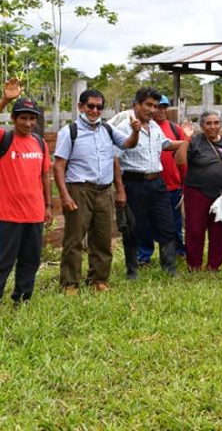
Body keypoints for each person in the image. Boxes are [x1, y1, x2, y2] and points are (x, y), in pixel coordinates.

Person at [53, 89, 140, 294]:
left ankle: (98, 280)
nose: (94, 110)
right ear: (80, 107)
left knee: (102, 238)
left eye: (98, 107)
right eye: (90, 106)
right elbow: (58, 166)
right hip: (79, 189)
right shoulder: (69, 131)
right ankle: (70, 283)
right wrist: (64, 196)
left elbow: (128, 144)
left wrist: (135, 131)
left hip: (104, 191)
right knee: (74, 238)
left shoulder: (107, 130)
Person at [115, 87, 187, 279]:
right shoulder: (123, 128)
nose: (152, 109)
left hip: (157, 183)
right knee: (132, 227)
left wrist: (188, 140)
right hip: (134, 182)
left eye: (155, 106)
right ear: (136, 105)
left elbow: (166, 145)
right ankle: (132, 270)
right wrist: (120, 189)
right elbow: (114, 158)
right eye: (148, 105)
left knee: (167, 225)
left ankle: (169, 268)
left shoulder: (154, 126)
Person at [0, 96, 52, 303]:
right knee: (3, 261)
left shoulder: (39, 143)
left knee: (30, 261)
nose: (29, 123)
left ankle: (22, 300)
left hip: (34, 215)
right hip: (7, 215)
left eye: (32, 118)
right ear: (13, 118)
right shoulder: (5, 139)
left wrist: (48, 206)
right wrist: (4, 99)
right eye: (24, 118)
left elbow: (45, 175)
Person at [181, 110, 222, 272]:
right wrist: (186, 139)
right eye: (208, 123)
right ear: (201, 126)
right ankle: (194, 265)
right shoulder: (195, 141)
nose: (213, 127)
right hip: (196, 192)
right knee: (195, 230)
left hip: (221, 194)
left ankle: (214, 265)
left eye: (216, 123)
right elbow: (180, 160)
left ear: (221, 124)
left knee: (219, 231)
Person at [136, 94, 187, 264]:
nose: (162, 110)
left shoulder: (174, 129)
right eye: (158, 107)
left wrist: (184, 181)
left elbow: (181, 153)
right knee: (144, 223)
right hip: (149, 183)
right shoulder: (143, 127)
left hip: (172, 185)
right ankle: (144, 255)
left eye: (165, 107)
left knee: (173, 223)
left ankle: (179, 251)